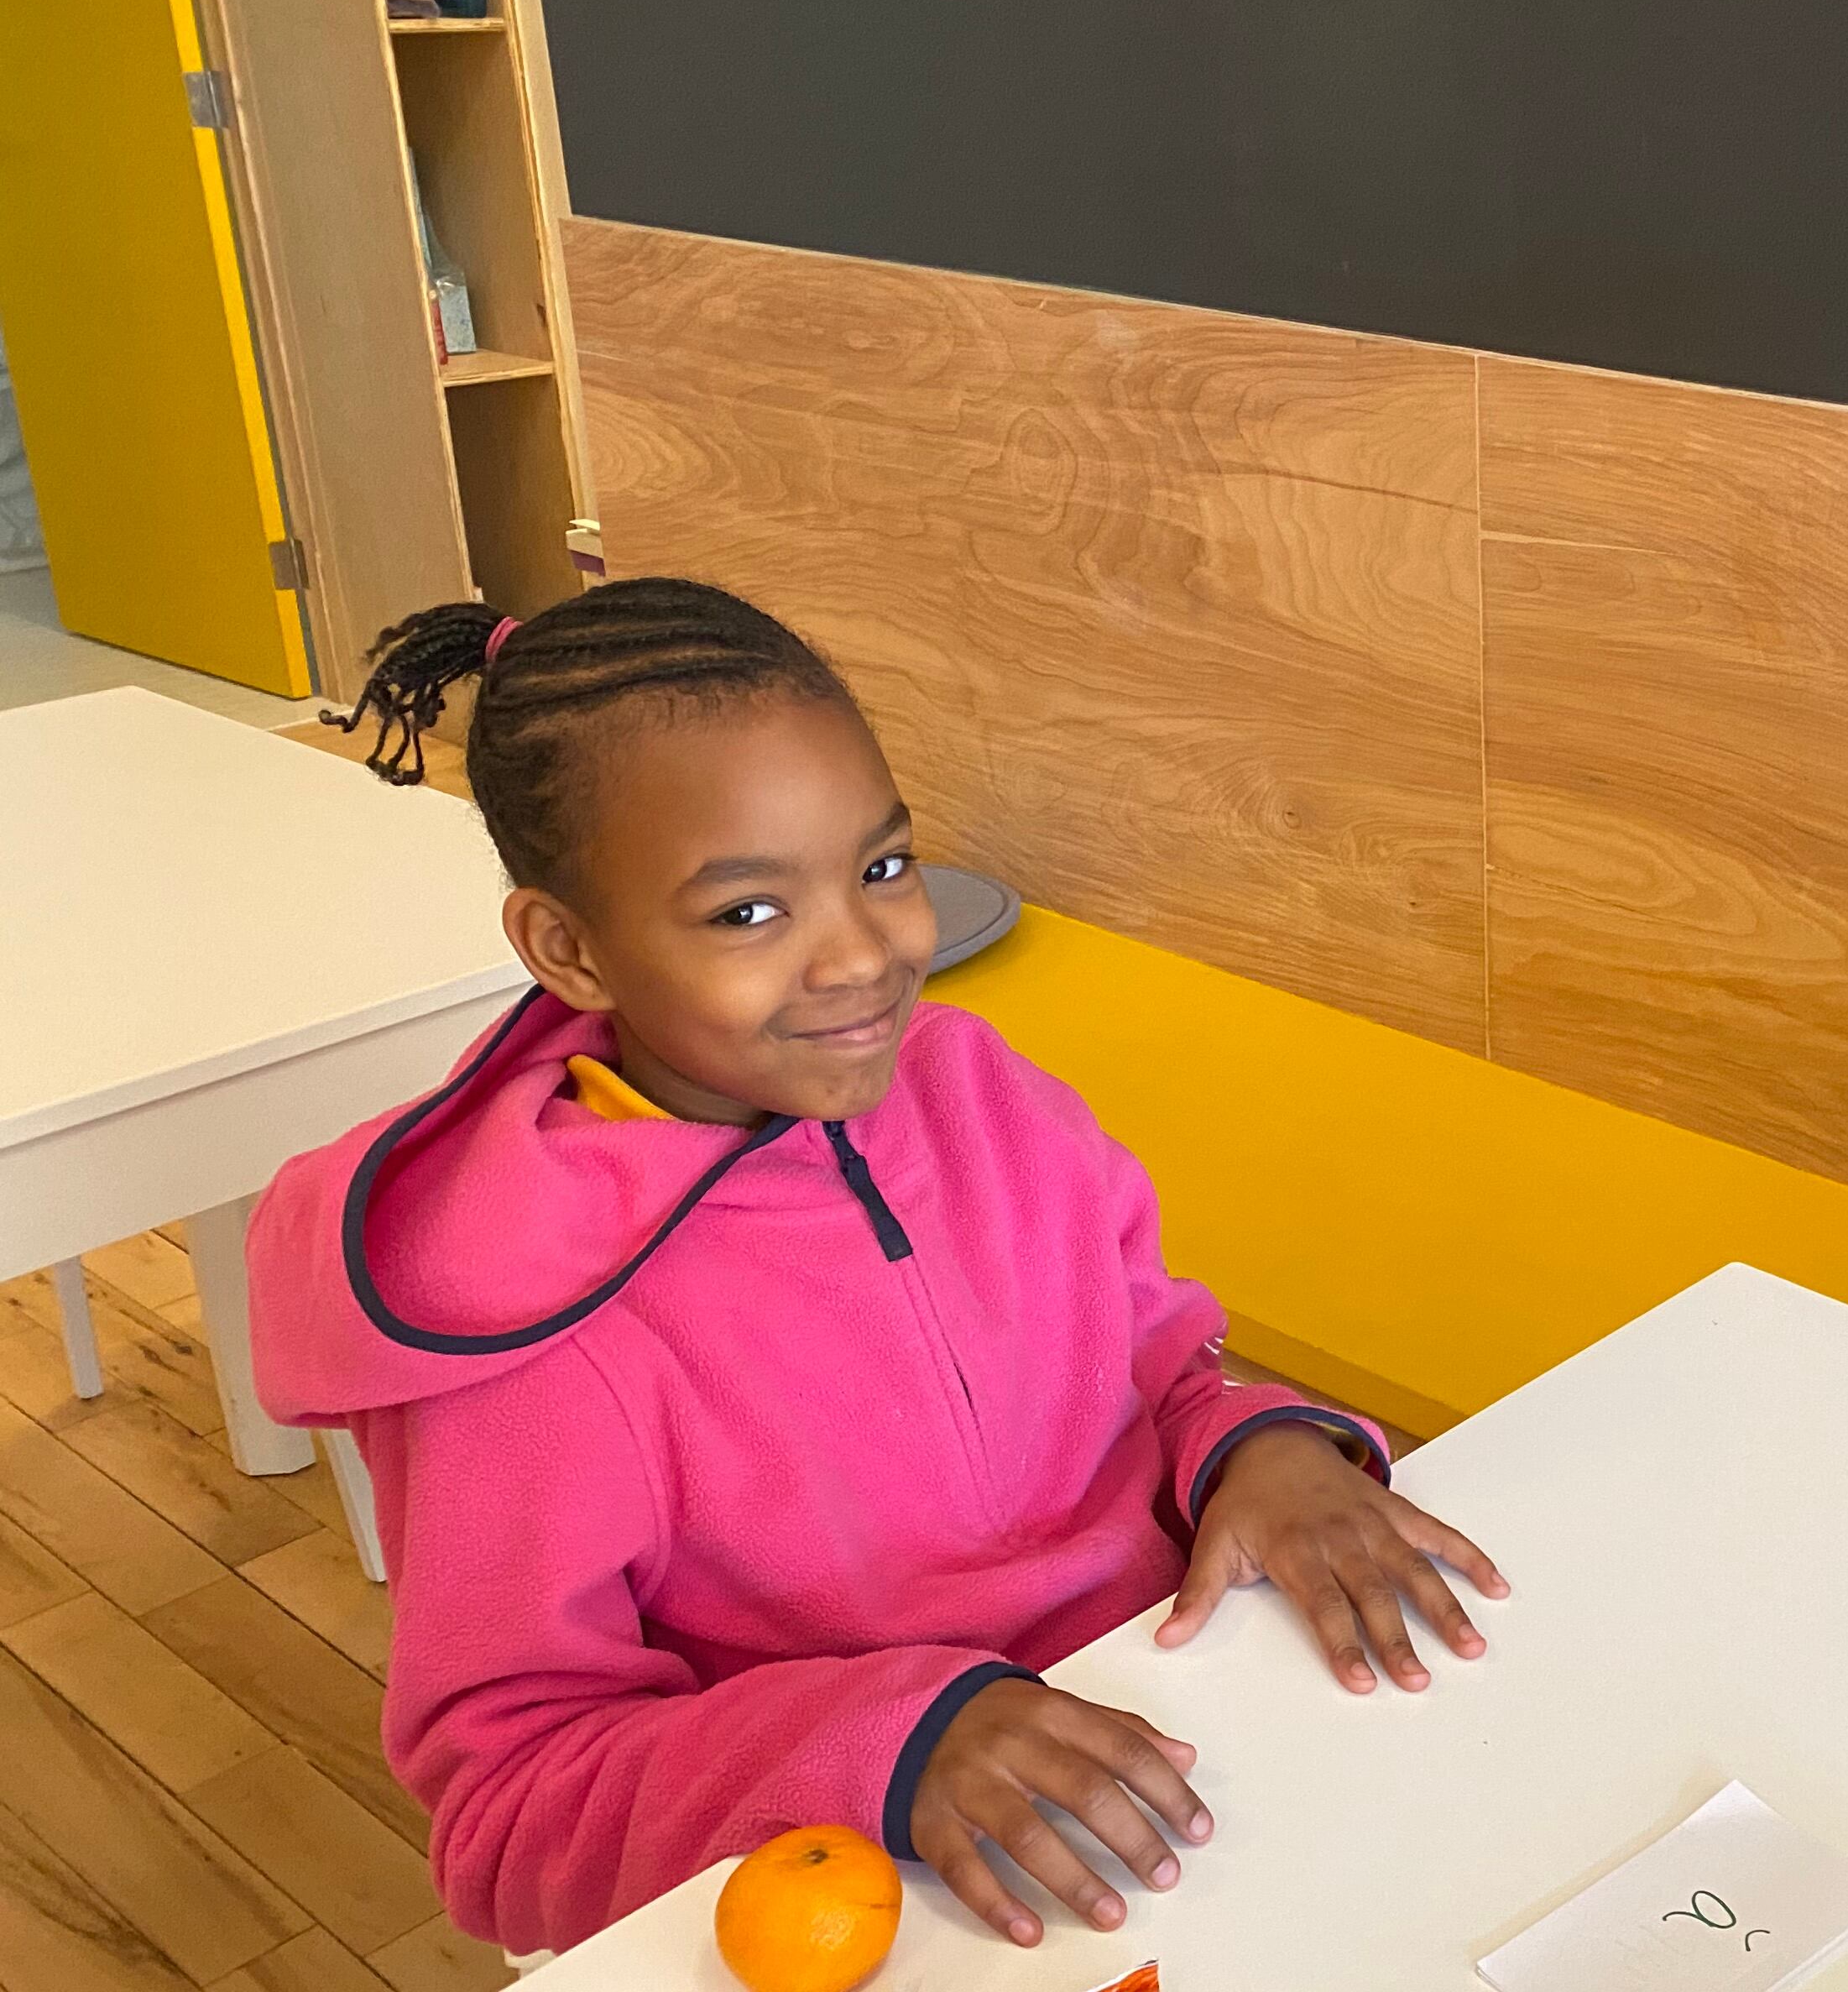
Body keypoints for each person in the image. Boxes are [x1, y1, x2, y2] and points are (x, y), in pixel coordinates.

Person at [251, 579, 1510, 1955]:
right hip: (904, 1889)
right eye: (746, 914)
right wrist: (890, 1743)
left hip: (1209, 1764)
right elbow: (513, 1821)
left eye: (883, 866)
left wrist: (1259, 1449)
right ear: (571, 950)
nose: (862, 955)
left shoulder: (983, 1091)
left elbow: (1155, 1363)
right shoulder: (529, 1328)